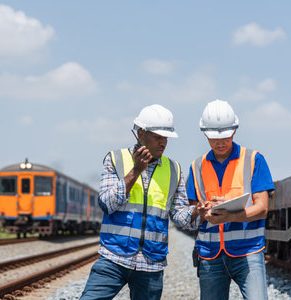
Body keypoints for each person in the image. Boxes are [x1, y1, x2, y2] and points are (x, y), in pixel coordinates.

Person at [80, 104, 196, 300]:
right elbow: (106, 204)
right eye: (158, 137)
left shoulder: (174, 169)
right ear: (141, 134)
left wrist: (196, 211)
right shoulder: (115, 159)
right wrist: (135, 171)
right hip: (113, 257)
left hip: (152, 262)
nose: (163, 143)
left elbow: (180, 218)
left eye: (166, 138)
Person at [187, 99, 275, 300]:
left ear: (234, 130)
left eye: (225, 136)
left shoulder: (254, 159)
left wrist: (229, 216)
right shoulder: (196, 167)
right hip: (210, 254)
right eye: (214, 138)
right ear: (205, 134)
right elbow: (192, 213)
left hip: (248, 252)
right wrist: (202, 211)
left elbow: (262, 208)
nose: (220, 142)